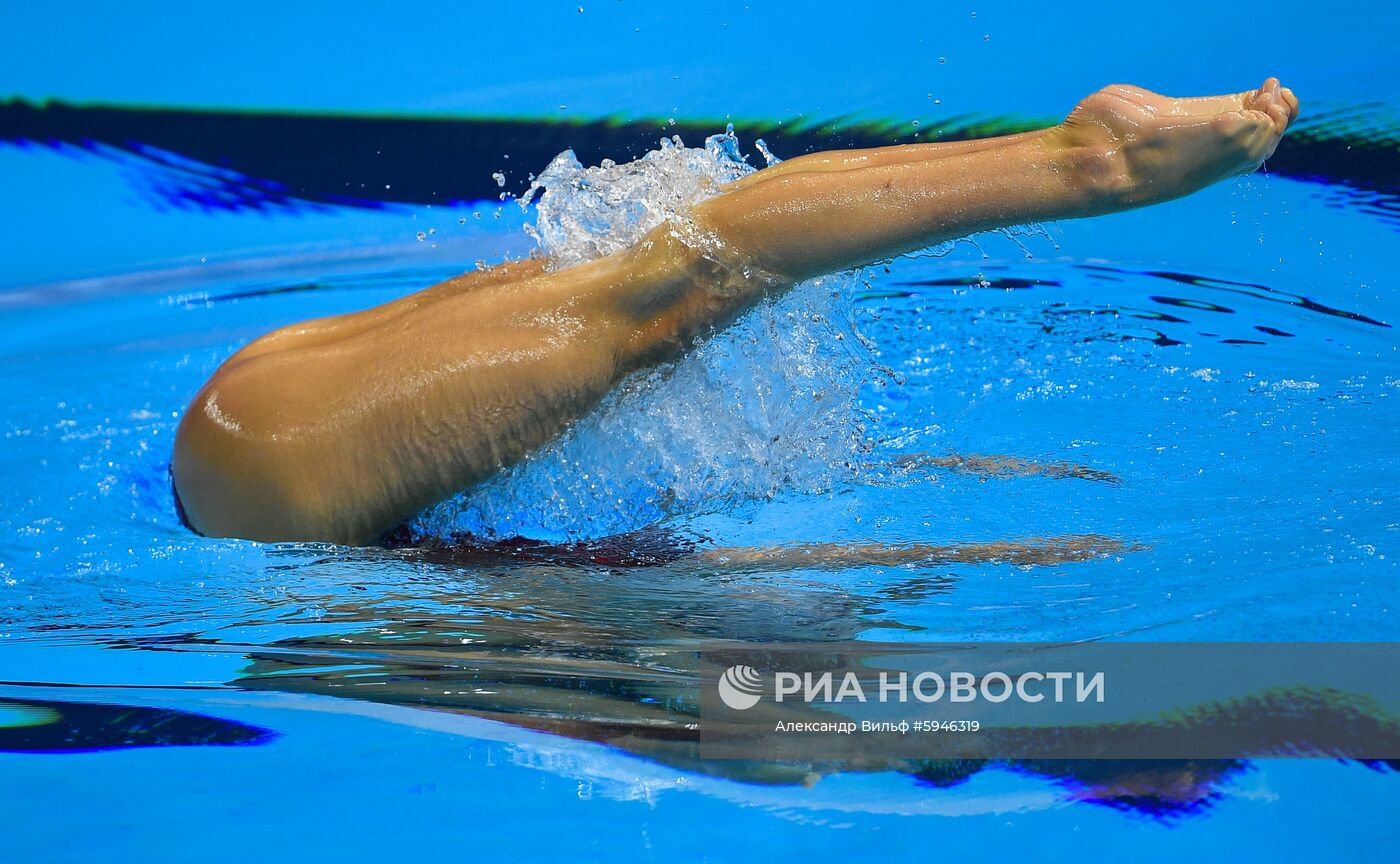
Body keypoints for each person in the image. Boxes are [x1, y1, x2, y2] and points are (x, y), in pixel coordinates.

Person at [172, 79, 1299, 545]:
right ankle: (1078, 159)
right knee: (651, 269)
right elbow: (591, 576)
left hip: (285, 486)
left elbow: (590, 639)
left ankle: (1085, 166)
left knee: (670, 285)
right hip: (247, 413)